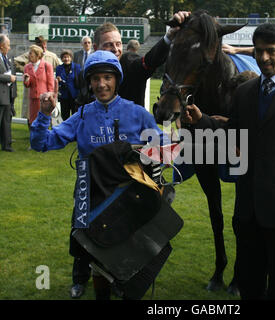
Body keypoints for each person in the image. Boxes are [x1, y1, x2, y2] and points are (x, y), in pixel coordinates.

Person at [181, 23, 275, 300]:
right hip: (248, 209)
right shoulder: (245, 92)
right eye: (259, 51)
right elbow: (233, 132)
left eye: (270, 52)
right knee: (249, 284)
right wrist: (202, 120)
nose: (263, 58)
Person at [69, 11, 190, 299]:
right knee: (84, 220)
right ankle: (80, 275)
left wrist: (169, 36)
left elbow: (150, 62)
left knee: (130, 220)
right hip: (94, 170)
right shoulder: (90, 78)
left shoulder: (131, 67)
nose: (117, 49)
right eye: (109, 45)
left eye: (119, 43)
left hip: (132, 165)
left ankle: (127, 278)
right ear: (96, 48)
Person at [30, 50, 168, 300]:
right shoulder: (82, 114)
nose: (101, 84)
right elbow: (42, 143)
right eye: (96, 79)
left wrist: (156, 153)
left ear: (116, 80)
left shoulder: (137, 113)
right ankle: (86, 284)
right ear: (89, 82)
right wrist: (43, 114)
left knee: (127, 251)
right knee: (92, 253)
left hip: (127, 196)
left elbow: (166, 147)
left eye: (107, 77)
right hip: (89, 192)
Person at [23, 45, 54, 126]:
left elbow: (51, 84)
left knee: (44, 121)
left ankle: (45, 138)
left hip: (44, 99)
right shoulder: (27, 67)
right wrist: (26, 80)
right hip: (33, 99)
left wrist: (49, 96)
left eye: (31, 54)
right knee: (33, 120)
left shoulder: (47, 66)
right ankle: (34, 137)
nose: (29, 56)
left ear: (38, 55)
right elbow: (27, 85)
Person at [0, 34, 17, 152]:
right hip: (1, 95)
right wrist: (8, 78)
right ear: (1, 46)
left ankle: (6, 145)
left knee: (6, 121)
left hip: (7, 95)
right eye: (8, 45)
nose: (9, 48)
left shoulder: (7, 58)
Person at [56, 49, 81, 121]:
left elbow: (80, 81)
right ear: (62, 58)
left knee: (75, 116)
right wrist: (59, 81)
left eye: (68, 57)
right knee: (65, 116)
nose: (66, 59)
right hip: (64, 96)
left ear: (71, 58)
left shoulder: (77, 67)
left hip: (75, 96)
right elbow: (58, 81)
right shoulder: (59, 68)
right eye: (64, 57)